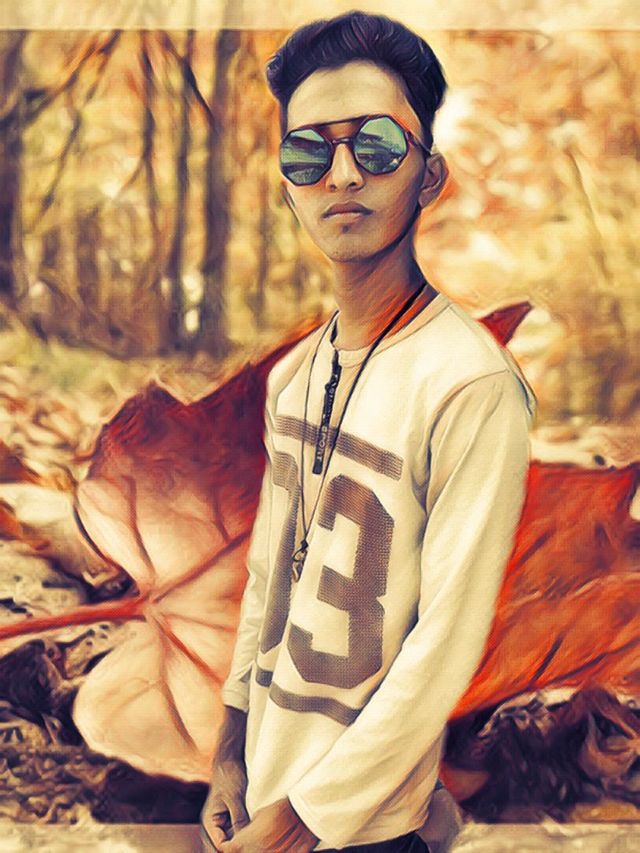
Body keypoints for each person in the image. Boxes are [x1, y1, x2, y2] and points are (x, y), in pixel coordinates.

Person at [200, 10, 537, 852]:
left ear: (429, 175)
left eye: (377, 146)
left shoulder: (470, 385)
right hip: (260, 800)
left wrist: (305, 821)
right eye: (308, 153)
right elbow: (268, 585)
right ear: (288, 184)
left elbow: (446, 644)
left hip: (367, 827)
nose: (342, 174)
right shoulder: (293, 378)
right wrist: (231, 756)